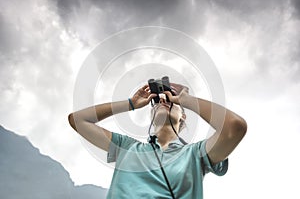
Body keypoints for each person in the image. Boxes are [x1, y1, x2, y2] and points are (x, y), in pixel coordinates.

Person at [68, 82, 247, 199]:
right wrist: (130, 103)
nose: (162, 102)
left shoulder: (196, 154)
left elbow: (234, 127)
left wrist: (187, 99)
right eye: (157, 102)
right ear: (151, 114)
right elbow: (78, 120)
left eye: (171, 102)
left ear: (183, 116)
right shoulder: (126, 148)